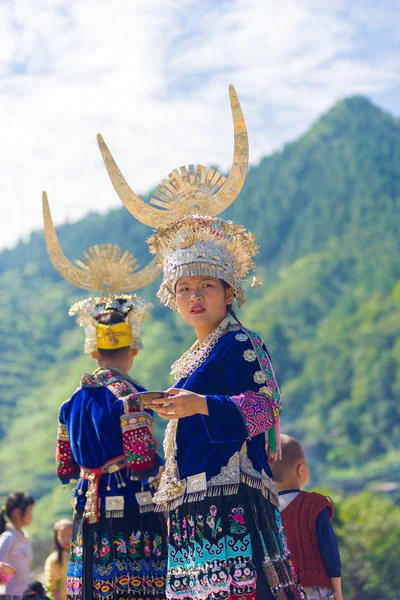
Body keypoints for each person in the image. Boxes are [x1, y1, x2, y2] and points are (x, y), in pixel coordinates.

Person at [145, 214, 305, 600]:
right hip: (195, 503)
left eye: (206, 285)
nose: (194, 297)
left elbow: (264, 408)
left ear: (229, 293)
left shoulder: (240, 342)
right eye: (184, 288)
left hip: (232, 497)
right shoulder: (193, 358)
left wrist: (201, 404)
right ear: (173, 298)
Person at [42, 193, 168, 600]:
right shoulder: (130, 397)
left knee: (93, 587)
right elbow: (142, 459)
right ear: (135, 349)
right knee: (134, 586)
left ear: (92, 351)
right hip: (127, 503)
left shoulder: (71, 401)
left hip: (86, 501)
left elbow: (65, 466)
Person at [269, 435, 343, 600]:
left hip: (280, 591)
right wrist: (337, 591)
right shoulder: (314, 505)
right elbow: (330, 549)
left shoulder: (265, 511)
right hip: (317, 590)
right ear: (300, 469)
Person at [0, 493, 34, 599]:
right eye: (29, 511)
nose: (31, 515)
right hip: (10, 595)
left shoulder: (24, 536)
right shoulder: (8, 537)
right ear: (17, 513)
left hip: (23, 594)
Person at [44, 520, 73, 600]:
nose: (66, 539)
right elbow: (52, 587)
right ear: (57, 537)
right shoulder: (54, 560)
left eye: (70, 536)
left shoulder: (80, 556)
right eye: (62, 536)